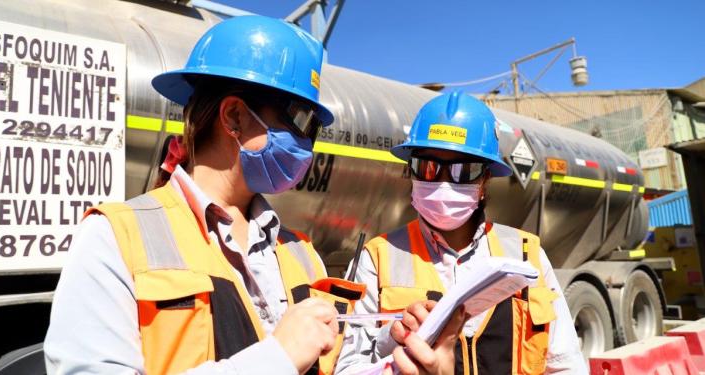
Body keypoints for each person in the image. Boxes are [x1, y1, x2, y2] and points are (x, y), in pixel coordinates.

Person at [44, 15, 463, 375]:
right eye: (300, 120)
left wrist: (398, 354)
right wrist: (275, 359)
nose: (308, 143)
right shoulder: (116, 238)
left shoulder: (300, 252)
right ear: (234, 116)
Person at [335, 91, 587, 374]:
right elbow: (347, 366)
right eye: (428, 168)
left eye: (463, 170)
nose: (443, 183)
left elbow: (566, 365)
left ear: (485, 181)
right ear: (411, 172)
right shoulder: (377, 258)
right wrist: (393, 339)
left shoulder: (527, 254)